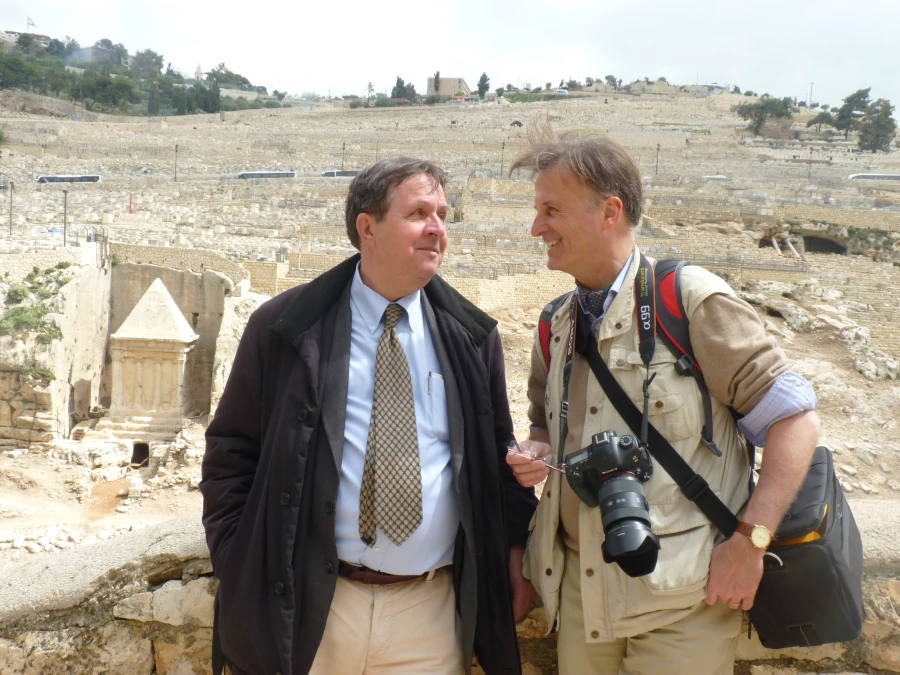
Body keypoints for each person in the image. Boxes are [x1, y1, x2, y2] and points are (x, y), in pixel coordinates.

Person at [201, 157, 537, 675]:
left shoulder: (471, 337)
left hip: (429, 615)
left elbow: (497, 453)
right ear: (367, 227)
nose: (437, 229)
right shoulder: (286, 328)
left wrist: (515, 549)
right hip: (315, 608)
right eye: (419, 212)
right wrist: (237, 560)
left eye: (443, 215)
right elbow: (232, 451)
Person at [505, 132, 820, 675]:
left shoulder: (690, 301)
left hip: (685, 603)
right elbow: (545, 427)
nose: (537, 228)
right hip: (584, 602)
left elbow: (795, 420)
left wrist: (750, 542)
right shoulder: (555, 324)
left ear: (609, 211)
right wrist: (535, 450)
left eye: (551, 210)